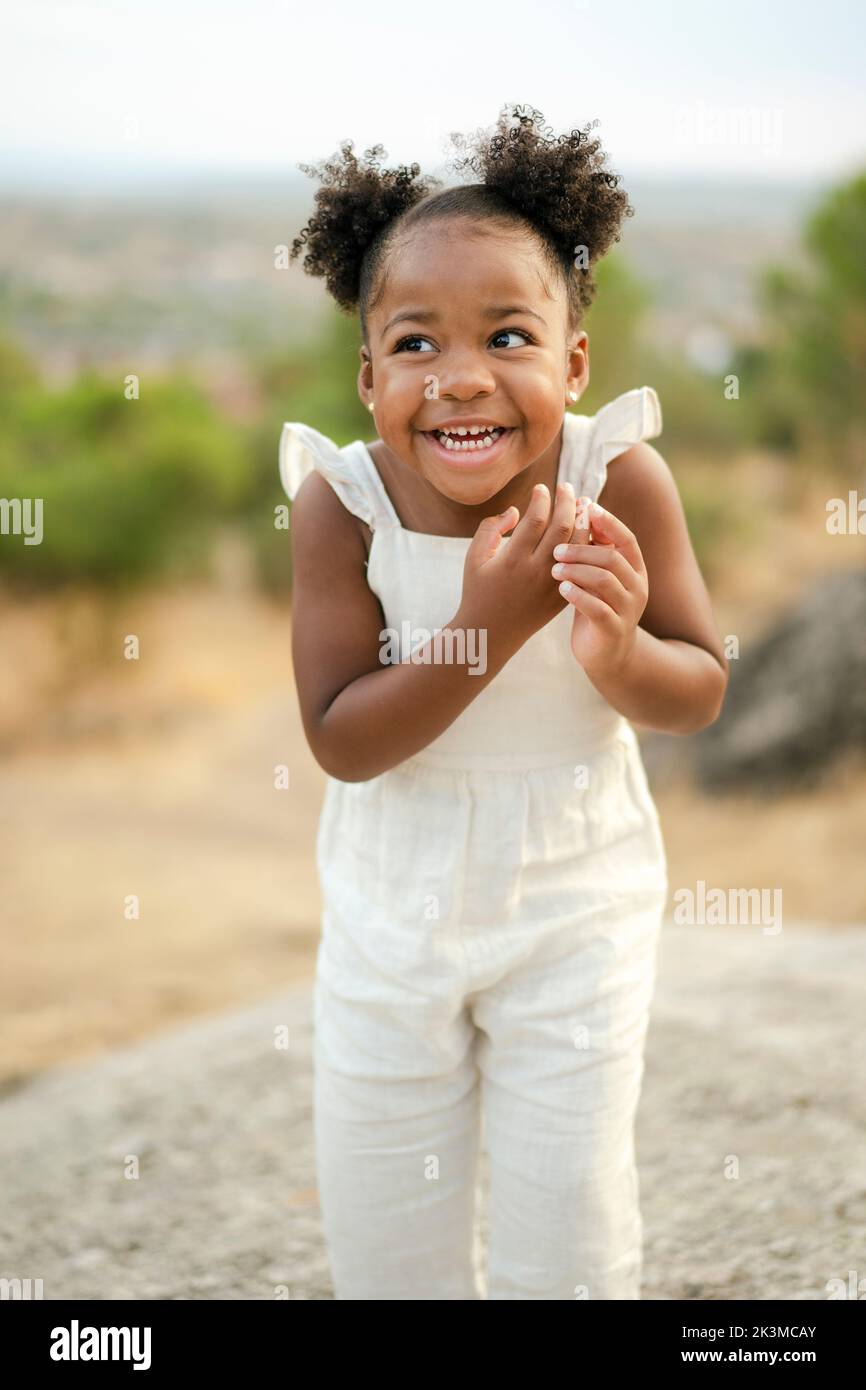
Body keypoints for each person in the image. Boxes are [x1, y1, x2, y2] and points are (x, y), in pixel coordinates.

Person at [280, 104, 728, 1299]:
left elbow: (697, 688)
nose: (460, 378)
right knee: (388, 1244)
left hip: (575, 907)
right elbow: (339, 738)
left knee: (567, 1239)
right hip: (389, 918)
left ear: (573, 361)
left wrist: (620, 649)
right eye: (416, 345)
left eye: (510, 336)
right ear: (367, 376)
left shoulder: (615, 474)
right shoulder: (344, 504)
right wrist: (491, 624)